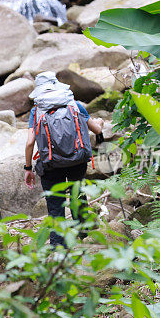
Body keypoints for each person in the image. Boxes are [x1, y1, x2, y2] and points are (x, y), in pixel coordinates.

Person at [23, 72, 103, 245]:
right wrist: (101, 123)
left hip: (50, 165)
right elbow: (96, 130)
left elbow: (30, 143)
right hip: (77, 162)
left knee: (55, 206)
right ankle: (84, 239)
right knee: (78, 198)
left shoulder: (36, 110)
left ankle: (58, 248)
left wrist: (28, 168)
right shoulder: (74, 104)